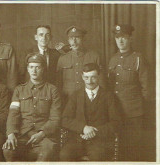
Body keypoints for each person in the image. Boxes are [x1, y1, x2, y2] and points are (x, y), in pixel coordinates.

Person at [3, 53, 61, 161]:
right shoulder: (19, 90)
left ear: (43, 69)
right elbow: (13, 114)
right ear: (28, 69)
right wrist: (11, 134)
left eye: (37, 67)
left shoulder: (52, 90)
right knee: (8, 149)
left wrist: (42, 134)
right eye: (31, 67)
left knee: (48, 150)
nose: (34, 71)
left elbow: (55, 118)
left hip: (44, 135)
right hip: (22, 134)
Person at [60, 63, 120, 161]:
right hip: (77, 140)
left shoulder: (108, 96)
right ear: (82, 77)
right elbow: (65, 119)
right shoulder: (75, 95)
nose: (89, 81)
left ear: (99, 77)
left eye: (93, 77)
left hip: (99, 142)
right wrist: (83, 128)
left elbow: (116, 122)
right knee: (64, 155)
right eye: (86, 77)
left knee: (98, 157)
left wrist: (95, 131)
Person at [108, 24, 149, 161]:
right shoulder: (113, 59)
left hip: (134, 112)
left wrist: (143, 109)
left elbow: (146, 87)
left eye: (124, 37)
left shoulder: (138, 58)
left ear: (130, 39)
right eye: (118, 37)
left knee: (134, 148)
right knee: (118, 148)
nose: (120, 41)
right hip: (116, 111)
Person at [56, 25, 106, 105]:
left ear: (83, 39)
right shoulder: (62, 59)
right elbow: (59, 83)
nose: (74, 41)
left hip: (89, 101)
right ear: (68, 40)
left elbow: (101, 83)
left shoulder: (94, 56)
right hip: (68, 100)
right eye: (71, 38)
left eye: (77, 38)